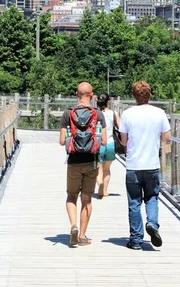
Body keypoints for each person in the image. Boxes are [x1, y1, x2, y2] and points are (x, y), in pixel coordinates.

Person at [119, 80, 171, 250]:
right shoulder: (159, 113)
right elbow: (167, 138)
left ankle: (135, 240)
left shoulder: (127, 114)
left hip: (133, 165)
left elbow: (124, 141)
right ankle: (153, 224)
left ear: (134, 95)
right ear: (150, 94)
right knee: (152, 197)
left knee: (134, 202)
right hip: (152, 164)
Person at [59, 82, 107, 247]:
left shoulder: (68, 114)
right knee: (86, 199)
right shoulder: (98, 114)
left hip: (73, 161)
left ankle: (73, 226)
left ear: (76, 95)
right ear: (91, 95)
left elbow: (61, 141)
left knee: (71, 196)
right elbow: (105, 141)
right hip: (92, 161)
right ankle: (82, 236)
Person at [96, 93, 120, 198]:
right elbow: (120, 127)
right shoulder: (113, 113)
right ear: (108, 101)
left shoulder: (95, 114)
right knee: (107, 169)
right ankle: (105, 190)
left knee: (98, 169)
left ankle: (100, 186)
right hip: (110, 143)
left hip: (99, 144)